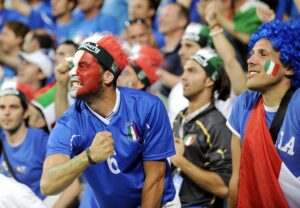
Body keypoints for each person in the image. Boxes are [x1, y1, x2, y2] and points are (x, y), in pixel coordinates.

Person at [40, 34, 179, 208]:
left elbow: (156, 178)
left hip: (159, 203)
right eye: (74, 67)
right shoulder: (69, 122)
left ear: (107, 76)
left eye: (82, 66)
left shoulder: (147, 107)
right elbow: (47, 185)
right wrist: (87, 157)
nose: (73, 73)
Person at [227, 20, 300, 208]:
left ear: (289, 67)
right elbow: (238, 179)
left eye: (263, 54)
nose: (250, 60)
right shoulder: (243, 105)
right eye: (252, 53)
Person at [172, 48, 232, 207]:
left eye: (191, 71)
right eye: (184, 71)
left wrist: (179, 160)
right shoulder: (179, 117)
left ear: (209, 81)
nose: (183, 77)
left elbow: (224, 188)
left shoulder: (218, 125)